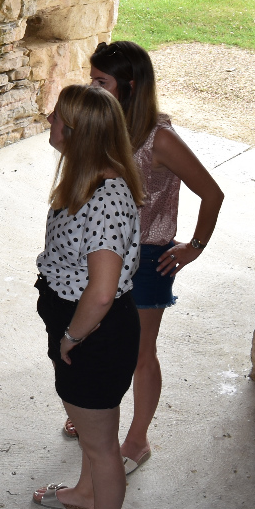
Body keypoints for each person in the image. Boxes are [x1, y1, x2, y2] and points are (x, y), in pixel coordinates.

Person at [64, 40, 225, 470]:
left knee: (138, 352)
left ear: (130, 87)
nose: (92, 87)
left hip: (149, 256)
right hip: (103, 253)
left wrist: (194, 247)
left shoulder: (160, 139)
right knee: (92, 336)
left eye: (101, 81)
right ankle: (93, 412)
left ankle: (137, 439)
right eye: (91, 78)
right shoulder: (102, 127)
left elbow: (212, 193)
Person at [32, 84, 144, 509]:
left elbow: (101, 292)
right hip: (75, 324)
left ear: (77, 133)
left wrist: (71, 338)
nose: (49, 121)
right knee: (88, 429)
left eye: (57, 117)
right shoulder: (86, 176)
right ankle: (85, 492)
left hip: (92, 332)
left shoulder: (107, 197)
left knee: (102, 446)